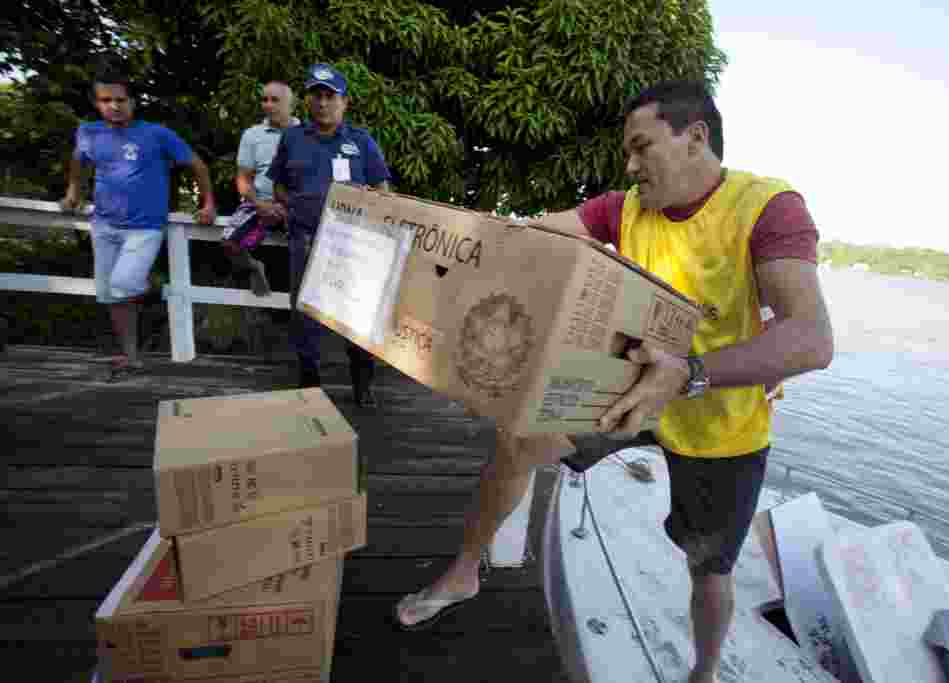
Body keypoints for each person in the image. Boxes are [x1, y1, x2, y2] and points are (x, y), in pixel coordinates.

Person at [394, 80, 834, 683]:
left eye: (641, 147)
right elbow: (534, 234)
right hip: (624, 388)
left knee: (709, 568)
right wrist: (465, 242)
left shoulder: (768, 206)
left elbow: (811, 338)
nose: (629, 165)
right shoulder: (624, 207)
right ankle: (466, 569)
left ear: (695, 137)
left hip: (718, 415)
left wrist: (690, 373)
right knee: (517, 438)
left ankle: (703, 673)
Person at [60, 73, 216, 381]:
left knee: (123, 284)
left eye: (120, 100)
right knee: (110, 294)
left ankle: (153, 285)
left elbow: (197, 164)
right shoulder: (89, 132)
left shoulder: (157, 134)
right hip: (104, 224)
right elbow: (79, 160)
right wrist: (73, 191)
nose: (114, 106)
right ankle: (131, 357)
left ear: (133, 102)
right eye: (106, 100)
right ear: (97, 103)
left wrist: (208, 203)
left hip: (144, 227)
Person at [266, 63, 392, 406]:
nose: (322, 103)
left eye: (329, 96)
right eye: (316, 96)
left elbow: (382, 189)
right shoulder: (292, 138)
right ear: (308, 101)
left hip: (354, 243)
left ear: (344, 102)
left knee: (357, 314)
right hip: (304, 240)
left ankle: (362, 386)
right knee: (305, 314)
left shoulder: (361, 141)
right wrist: (291, 204)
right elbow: (277, 184)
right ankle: (309, 385)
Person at [222, 80, 299, 295]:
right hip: (259, 204)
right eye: (264, 100)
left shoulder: (306, 133)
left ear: (290, 104)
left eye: (275, 100)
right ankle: (254, 267)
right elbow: (243, 179)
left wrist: (289, 205)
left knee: (315, 250)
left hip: (296, 206)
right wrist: (261, 204)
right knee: (230, 243)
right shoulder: (252, 135)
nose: (268, 105)